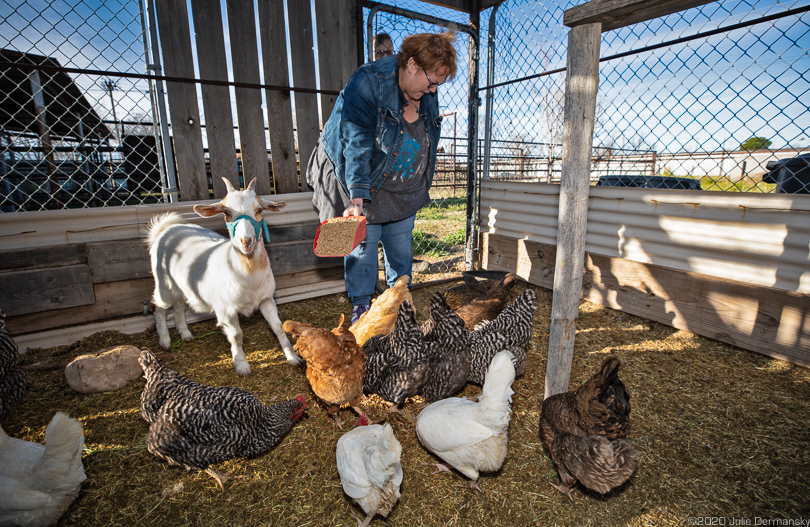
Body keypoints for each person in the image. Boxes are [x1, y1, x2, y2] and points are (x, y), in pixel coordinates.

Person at [306, 32, 457, 323]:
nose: (434, 91)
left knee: (400, 245)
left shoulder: (424, 91)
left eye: (439, 84)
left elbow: (427, 139)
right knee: (363, 245)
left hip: (402, 188)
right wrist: (357, 197)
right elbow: (357, 143)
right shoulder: (368, 82)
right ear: (411, 65)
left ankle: (399, 301)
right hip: (365, 178)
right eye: (432, 81)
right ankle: (361, 307)